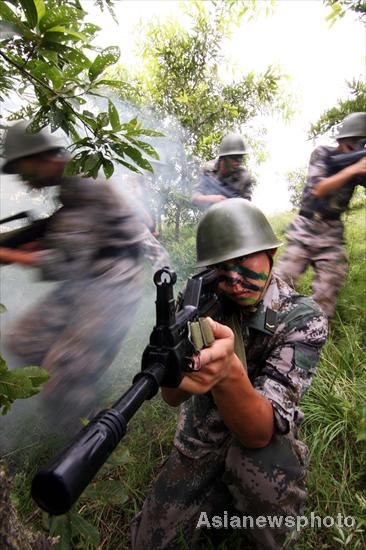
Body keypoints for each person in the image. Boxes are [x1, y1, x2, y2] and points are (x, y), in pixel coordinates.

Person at [131, 198, 328, 549]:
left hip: (261, 440)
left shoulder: (301, 318)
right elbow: (172, 397)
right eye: (222, 267)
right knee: (149, 542)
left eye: (243, 260)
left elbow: (258, 433)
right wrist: (175, 362)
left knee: (265, 504)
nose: (235, 279)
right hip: (202, 437)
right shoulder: (197, 305)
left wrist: (227, 374)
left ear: (270, 252)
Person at [0, 120, 169, 432]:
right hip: (85, 278)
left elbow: (61, 264)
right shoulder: (67, 186)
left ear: (44, 157)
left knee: (60, 373)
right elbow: (66, 239)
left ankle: (90, 436)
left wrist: (7, 254)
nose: (22, 179)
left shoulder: (85, 182)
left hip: (114, 281)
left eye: (24, 169)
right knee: (22, 340)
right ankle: (79, 382)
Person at [274, 112, 366, 318]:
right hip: (305, 226)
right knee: (280, 283)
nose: (350, 151)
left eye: (355, 148)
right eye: (348, 146)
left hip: (331, 232)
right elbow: (318, 188)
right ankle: (268, 327)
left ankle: (314, 333)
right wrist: (353, 170)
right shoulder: (322, 154)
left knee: (327, 290)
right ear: (340, 141)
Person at [192, 133, 254, 210]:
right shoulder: (208, 170)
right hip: (212, 216)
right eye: (234, 157)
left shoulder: (244, 177)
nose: (238, 162)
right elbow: (195, 198)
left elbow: (247, 207)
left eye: (240, 157)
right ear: (224, 157)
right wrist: (211, 199)